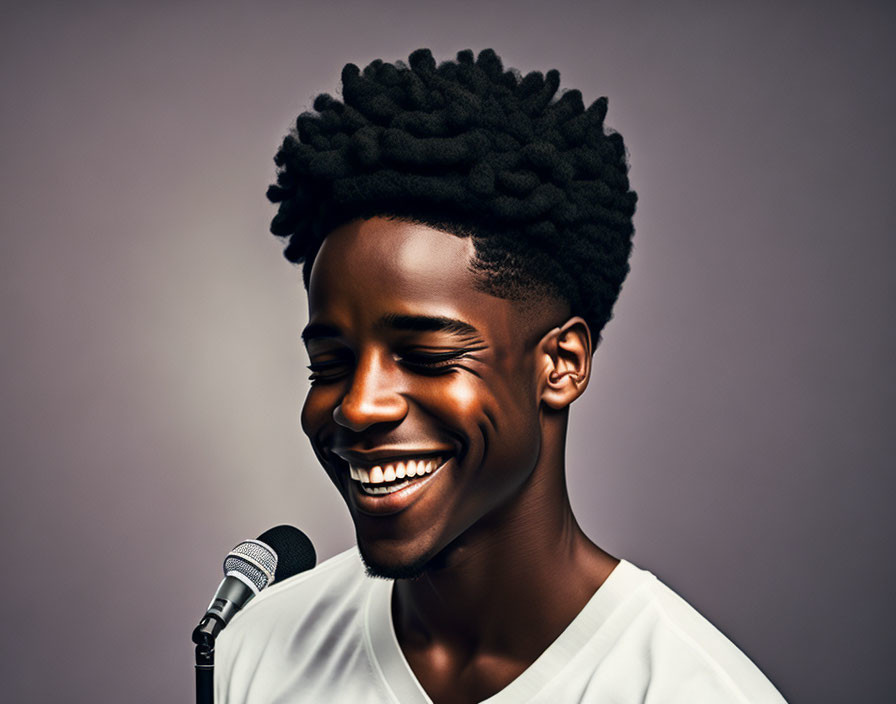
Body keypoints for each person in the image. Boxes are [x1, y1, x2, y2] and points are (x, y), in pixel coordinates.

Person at [215, 48, 786, 703]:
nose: (359, 407)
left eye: (428, 358)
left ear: (561, 364)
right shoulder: (253, 651)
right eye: (330, 365)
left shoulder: (689, 690)